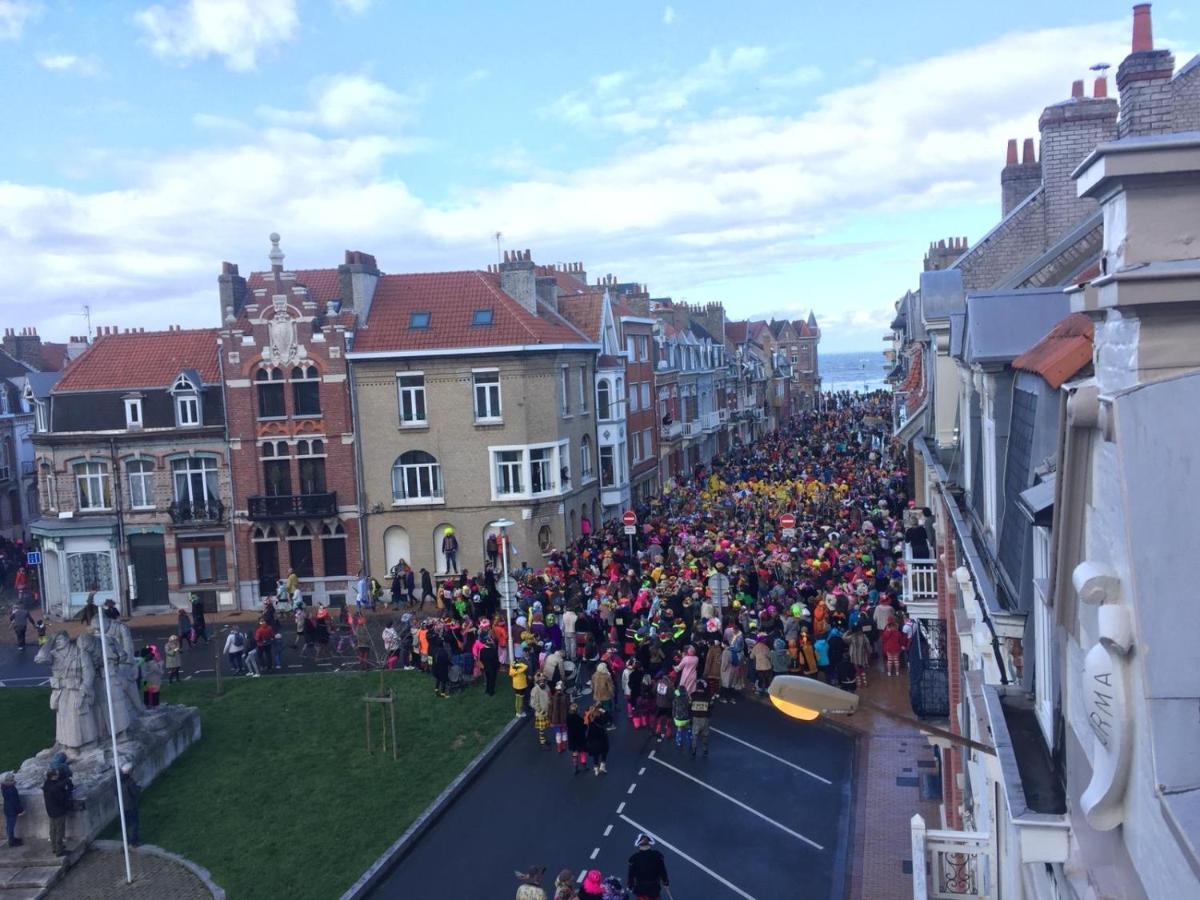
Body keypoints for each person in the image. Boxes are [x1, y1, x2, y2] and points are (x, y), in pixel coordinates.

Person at [627, 833, 670, 900]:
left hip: (640, 889)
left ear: (639, 845)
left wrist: (630, 885)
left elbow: (631, 875)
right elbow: (662, 871)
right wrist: (665, 882)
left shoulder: (634, 858)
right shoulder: (657, 856)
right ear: (649, 843)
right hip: (654, 889)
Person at [42, 767, 72, 857]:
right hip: (59, 811)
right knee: (59, 831)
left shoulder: (46, 785)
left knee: (53, 830)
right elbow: (62, 799)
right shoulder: (55, 788)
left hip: (50, 810)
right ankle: (60, 851)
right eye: (57, 774)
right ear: (54, 776)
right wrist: (67, 791)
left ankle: (54, 847)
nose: (59, 776)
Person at [689, 680, 713, 758]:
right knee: (705, 735)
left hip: (696, 718)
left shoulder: (692, 695)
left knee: (695, 735)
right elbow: (712, 706)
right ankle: (705, 750)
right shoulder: (708, 696)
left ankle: (693, 750)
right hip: (705, 718)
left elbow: (689, 705)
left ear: (697, 688)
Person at [585, 704, 610, 775]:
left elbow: (584, 722)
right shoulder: (601, 718)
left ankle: (596, 769)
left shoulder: (588, 720)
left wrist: (589, 713)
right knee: (604, 752)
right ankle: (602, 766)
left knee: (595, 755)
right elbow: (609, 717)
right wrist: (602, 710)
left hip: (592, 740)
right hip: (602, 738)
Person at [119, 764, 140, 846]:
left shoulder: (116, 780)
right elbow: (135, 792)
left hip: (121, 806)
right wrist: (138, 787)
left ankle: (125, 840)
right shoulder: (130, 781)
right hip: (130, 806)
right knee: (134, 823)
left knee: (124, 824)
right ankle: (134, 841)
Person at [530, 673, 551, 748]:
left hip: (546, 711)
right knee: (541, 729)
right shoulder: (535, 690)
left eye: (543, 680)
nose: (542, 682)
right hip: (541, 713)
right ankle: (542, 743)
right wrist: (540, 711)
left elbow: (549, 696)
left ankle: (544, 740)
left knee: (544, 727)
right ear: (537, 682)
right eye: (540, 681)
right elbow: (533, 703)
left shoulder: (547, 687)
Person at [2, 772, 23, 848]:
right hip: (12, 811)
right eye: (12, 780)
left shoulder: (4, 787)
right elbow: (15, 802)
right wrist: (21, 810)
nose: (14, 780)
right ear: (8, 781)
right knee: (10, 826)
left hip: (7, 809)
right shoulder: (12, 790)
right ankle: (12, 842)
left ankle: (12, 839)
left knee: (9, 826)